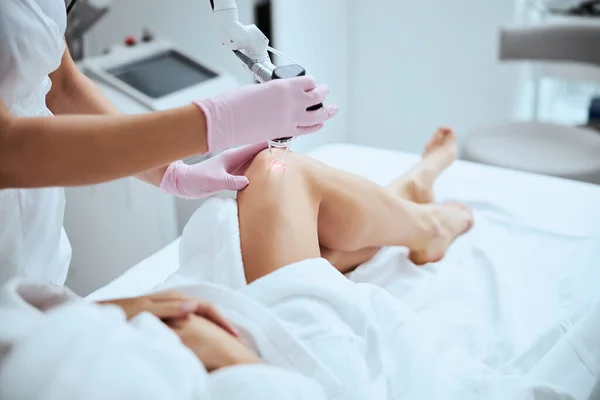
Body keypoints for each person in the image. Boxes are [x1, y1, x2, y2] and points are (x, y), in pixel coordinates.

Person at [0, 129, 480, 400]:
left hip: (171, 320)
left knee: (302, 238)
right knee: (278, 167)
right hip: (266, 363)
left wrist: (124, 306)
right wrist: (232, 359)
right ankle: (426, 222)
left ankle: (411, 200)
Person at [0, 0, 337, 318]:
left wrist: (170, 172)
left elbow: (61, 86)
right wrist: (216, 122)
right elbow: (7, 149)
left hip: (39, 270)